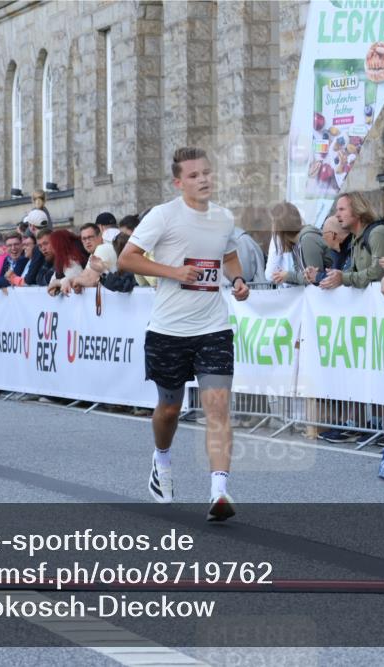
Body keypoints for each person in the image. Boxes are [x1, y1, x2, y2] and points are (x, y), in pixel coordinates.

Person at [117, 146, 250, 521]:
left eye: (206, 172)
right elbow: (128, 258)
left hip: (213, 327)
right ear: (179, 183)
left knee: (218, 408)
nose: (203, 179)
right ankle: (161, 461)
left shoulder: (223, 217)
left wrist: (237, 279)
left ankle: (219, 491)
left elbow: (227, 257)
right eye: (194, 176)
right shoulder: (163, 216)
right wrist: (174, 272)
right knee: (170, 409)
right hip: (168, 331)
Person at [320, 192, 384, 289]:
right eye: (337, 210)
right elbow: (355, 272)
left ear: (357, 211)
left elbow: (378, 273)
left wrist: (343, 278)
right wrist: (331, 276)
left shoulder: (377, 233)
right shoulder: (356, 238)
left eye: (342, 209)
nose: (337, 215)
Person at [269, 202, 325, 286]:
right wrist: (285, 277)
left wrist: (288, 276)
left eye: (273, 224)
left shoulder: (307, 240)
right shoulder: (296, 244)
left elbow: (314, 278)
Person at [304, 215, 351, 285]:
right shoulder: (336, 251)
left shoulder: (354, 248)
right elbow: (334, 275)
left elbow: (344, 277)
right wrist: (313, 273)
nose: (323, 238)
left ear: (333, 235)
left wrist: (317, 276)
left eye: (324, 234)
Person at [46, 229, 88, 295]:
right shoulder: (63, 261)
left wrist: (57, 283)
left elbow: (73, 283)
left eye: (52, 244)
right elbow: (51, 286)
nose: (51, 247)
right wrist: (58, 283)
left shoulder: (73, 260)